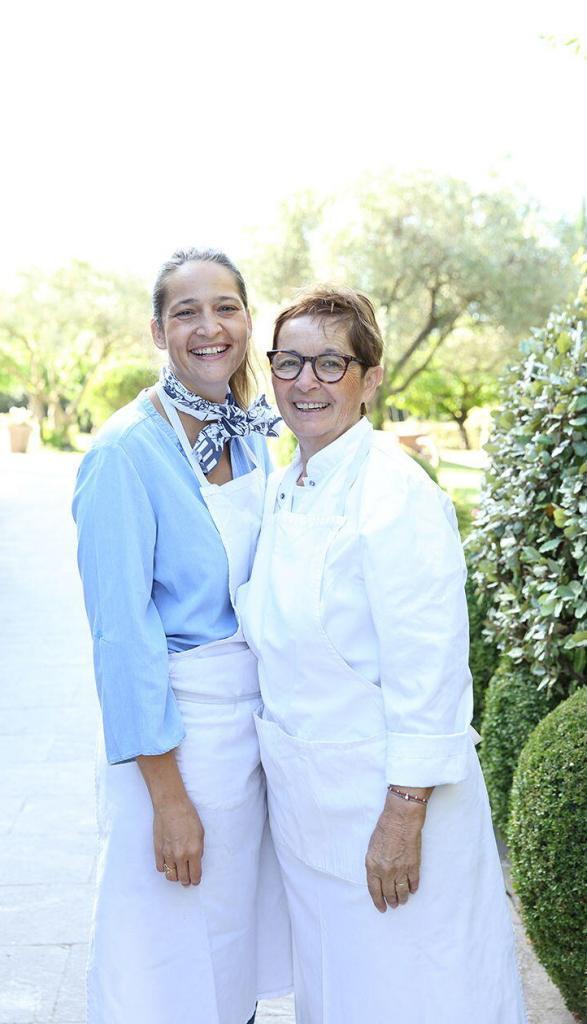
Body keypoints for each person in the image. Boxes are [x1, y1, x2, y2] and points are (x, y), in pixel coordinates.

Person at [237, 285, 527, 1023]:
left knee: (411, 995)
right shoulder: (282, 486)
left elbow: (428, 670)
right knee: (335, 996)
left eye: (330, 364)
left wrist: (402, 817)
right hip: (313, 813)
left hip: (393, 818)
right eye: (289, 362)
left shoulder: (396, 495)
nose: (305, 382)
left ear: (369, 381)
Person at [72, 248, 292, 1024]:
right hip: (177, 737)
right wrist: (168, 798)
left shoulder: (253, 434)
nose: (209, 327)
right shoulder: (123, 453)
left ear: (247, 320)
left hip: (252, 732)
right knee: (164, 957)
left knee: (228, 947)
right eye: (187, 312)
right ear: (159, 331)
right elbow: (121, 641)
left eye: (225, 307)